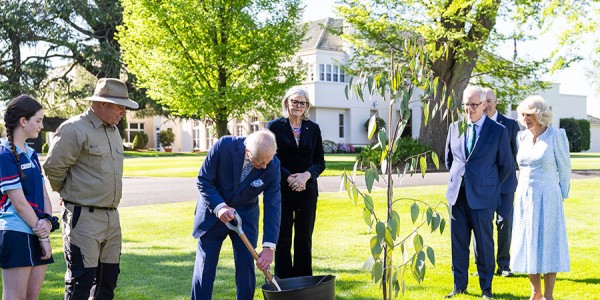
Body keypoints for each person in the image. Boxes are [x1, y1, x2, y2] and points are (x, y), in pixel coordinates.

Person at [43, 78, 139, 299]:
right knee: (81, 281)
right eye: (119, 105)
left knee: (108, 281)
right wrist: (71, 195)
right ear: (103, 103)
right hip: (83, 218)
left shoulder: (113, 131)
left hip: (112, 218)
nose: (123, 111)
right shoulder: (74, 129)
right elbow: (53, 168)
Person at [191, 130, 281, 300]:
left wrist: (269, 247)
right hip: (213, 214)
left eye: (267, 162)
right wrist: (220, 208)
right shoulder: (224, 146)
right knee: (205, 268)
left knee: (246, 269)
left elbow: (273, 205)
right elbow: (204, 180)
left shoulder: (273, 165)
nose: (264, 167)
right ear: (248, 152)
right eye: (260, 162)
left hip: (245, 218)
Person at [444, 86, 513, 299]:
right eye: (466, 104)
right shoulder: (455, 127)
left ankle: (486, 289)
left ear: (484, 105)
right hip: (458, 195)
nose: (469, 109)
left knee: (484, 245)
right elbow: (450, 160)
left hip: (483, 198)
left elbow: (506, 166)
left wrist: (487, 185)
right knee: (458, 244)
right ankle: (459, 286)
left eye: (474, 105)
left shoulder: (497, 130)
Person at [510, 95, 570, 300]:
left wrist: (561, 195)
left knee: (549, 244)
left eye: (529, 115)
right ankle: (535, 292)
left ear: (540, 115)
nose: (525, 119)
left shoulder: (556, 136)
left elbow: (565, 169)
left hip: (549, 198)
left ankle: (549, 295)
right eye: (523, 115)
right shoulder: (521, 137)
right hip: (525, 197)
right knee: (528, 242)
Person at [267, 86, 326, 279]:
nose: (299, 106)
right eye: (295, 102)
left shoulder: (313, 128)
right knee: (282, 240)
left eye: (303, 103)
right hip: (283, 192)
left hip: (307, 192)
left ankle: (303, 285)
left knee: (304, 240)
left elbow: (320, 162)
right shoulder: (274, 127)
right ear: (287, 102)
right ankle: (284, 285)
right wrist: (290, 177)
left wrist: (305, 176)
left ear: (307, 106)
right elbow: (271, 158)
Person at [0, 95, 55, 299]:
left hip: (38, 229)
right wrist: (43, 234)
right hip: (16, 232)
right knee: (15, 296)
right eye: (38, 120)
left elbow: (43, 194)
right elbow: (20, 203)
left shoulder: (31, 153)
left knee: (32, 296)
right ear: (23, 121)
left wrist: (48, 221)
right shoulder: (4, 154)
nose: (41, 125)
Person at [472, 87, 520, 277]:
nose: (486, 105)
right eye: (483, 101)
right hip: (482, 188)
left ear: (495, 102)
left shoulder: (510, 125)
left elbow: (515, 156)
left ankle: (504, 265)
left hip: (505, 185)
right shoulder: (476, 124)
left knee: (505, 222)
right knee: (481, 225)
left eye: (489, 101)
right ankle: (482, 265)